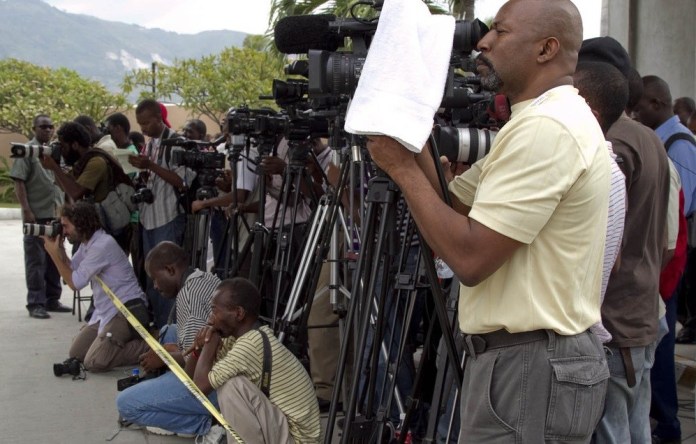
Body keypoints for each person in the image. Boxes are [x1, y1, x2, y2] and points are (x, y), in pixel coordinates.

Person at [365, 1, 611, 441]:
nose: (483, 42)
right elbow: (452, 206)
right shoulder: (531, 123)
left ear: (546, 48)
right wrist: (409, 119)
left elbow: (469, 257)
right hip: (521, 359)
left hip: (530, 362)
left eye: (501, 31)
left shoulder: (548, 128)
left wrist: (401, 169)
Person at [189, 278, 321, 443]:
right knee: (228, 382)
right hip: (284, 430)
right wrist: (198, 350)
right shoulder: (238, 339)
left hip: (298, 440)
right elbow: (191, 382)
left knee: (231, 386)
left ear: (239, 313)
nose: (210, 319)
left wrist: (209, 342)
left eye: (215, 311)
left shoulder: (251, 344)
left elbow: (200, 387)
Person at [116, 241, 224, 440]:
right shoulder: (202, 277)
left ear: (170, 270)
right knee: (168, 331)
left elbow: (196, 366)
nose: (155, 286)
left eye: (155, 279)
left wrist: (165, 358)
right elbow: (201, 343)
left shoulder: (188, 296)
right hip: (219, 365)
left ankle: (205, 422)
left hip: (212, 388)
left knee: (125, 404)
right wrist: (176, 350)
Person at [42, 201, 148, 371]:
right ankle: (112, 344)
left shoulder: (102, 245)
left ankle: (148, 347)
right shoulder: (88, 244)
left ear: (80, 224)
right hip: (105, 312)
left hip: (125, 311)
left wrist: (53, 254)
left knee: (95, 362)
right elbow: (72, 269)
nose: (64, 231)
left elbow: (74, 283)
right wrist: (59, 249)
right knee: (76, 353)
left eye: (66, 226)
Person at [633, 76, 696, 347]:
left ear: (657, 103)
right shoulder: (659, 140)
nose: (635, 114)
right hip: (663, 253)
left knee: (661, 349)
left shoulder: (678, 144)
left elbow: (684, 204)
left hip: (671, 256)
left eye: (639, 108)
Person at [572, 61, 628, 344]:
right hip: (578, 333)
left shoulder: (587, 169)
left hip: (562, 337)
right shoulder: (611, 171)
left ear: (590, 114)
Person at [128, 98, 196, 328]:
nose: (143, 129)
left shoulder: (176, 143)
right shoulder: (152, 144)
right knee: (154, 279)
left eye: (146, 123)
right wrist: (143, 171)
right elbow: (153, 177)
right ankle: (159, 326)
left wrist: (151, 167)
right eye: (140, 124)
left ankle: (172, 330)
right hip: (149, 218)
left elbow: (183, 181)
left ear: (159, 118)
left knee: (168, 279)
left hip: (168, 217)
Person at [39, 121, 131, 252]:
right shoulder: (82, 163)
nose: (63, 153)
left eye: (64, 148)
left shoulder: (96, 161)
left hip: (107, 229)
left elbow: (75, 192)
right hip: (92, 228)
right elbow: (65, 186)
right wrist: (54, 168)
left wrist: (54, 167)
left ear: (75, 145)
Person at [10, 114, 68, 318]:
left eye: (51, 127)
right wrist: (26, 210)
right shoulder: (27, 151)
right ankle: (35, 302)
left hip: (55, 213)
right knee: (36, 261)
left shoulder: (54, 152)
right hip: (37, 214)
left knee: (55, 259)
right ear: (34, 128)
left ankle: (52, 299)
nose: (48, 130)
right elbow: (19, 182)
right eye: (43, 127)